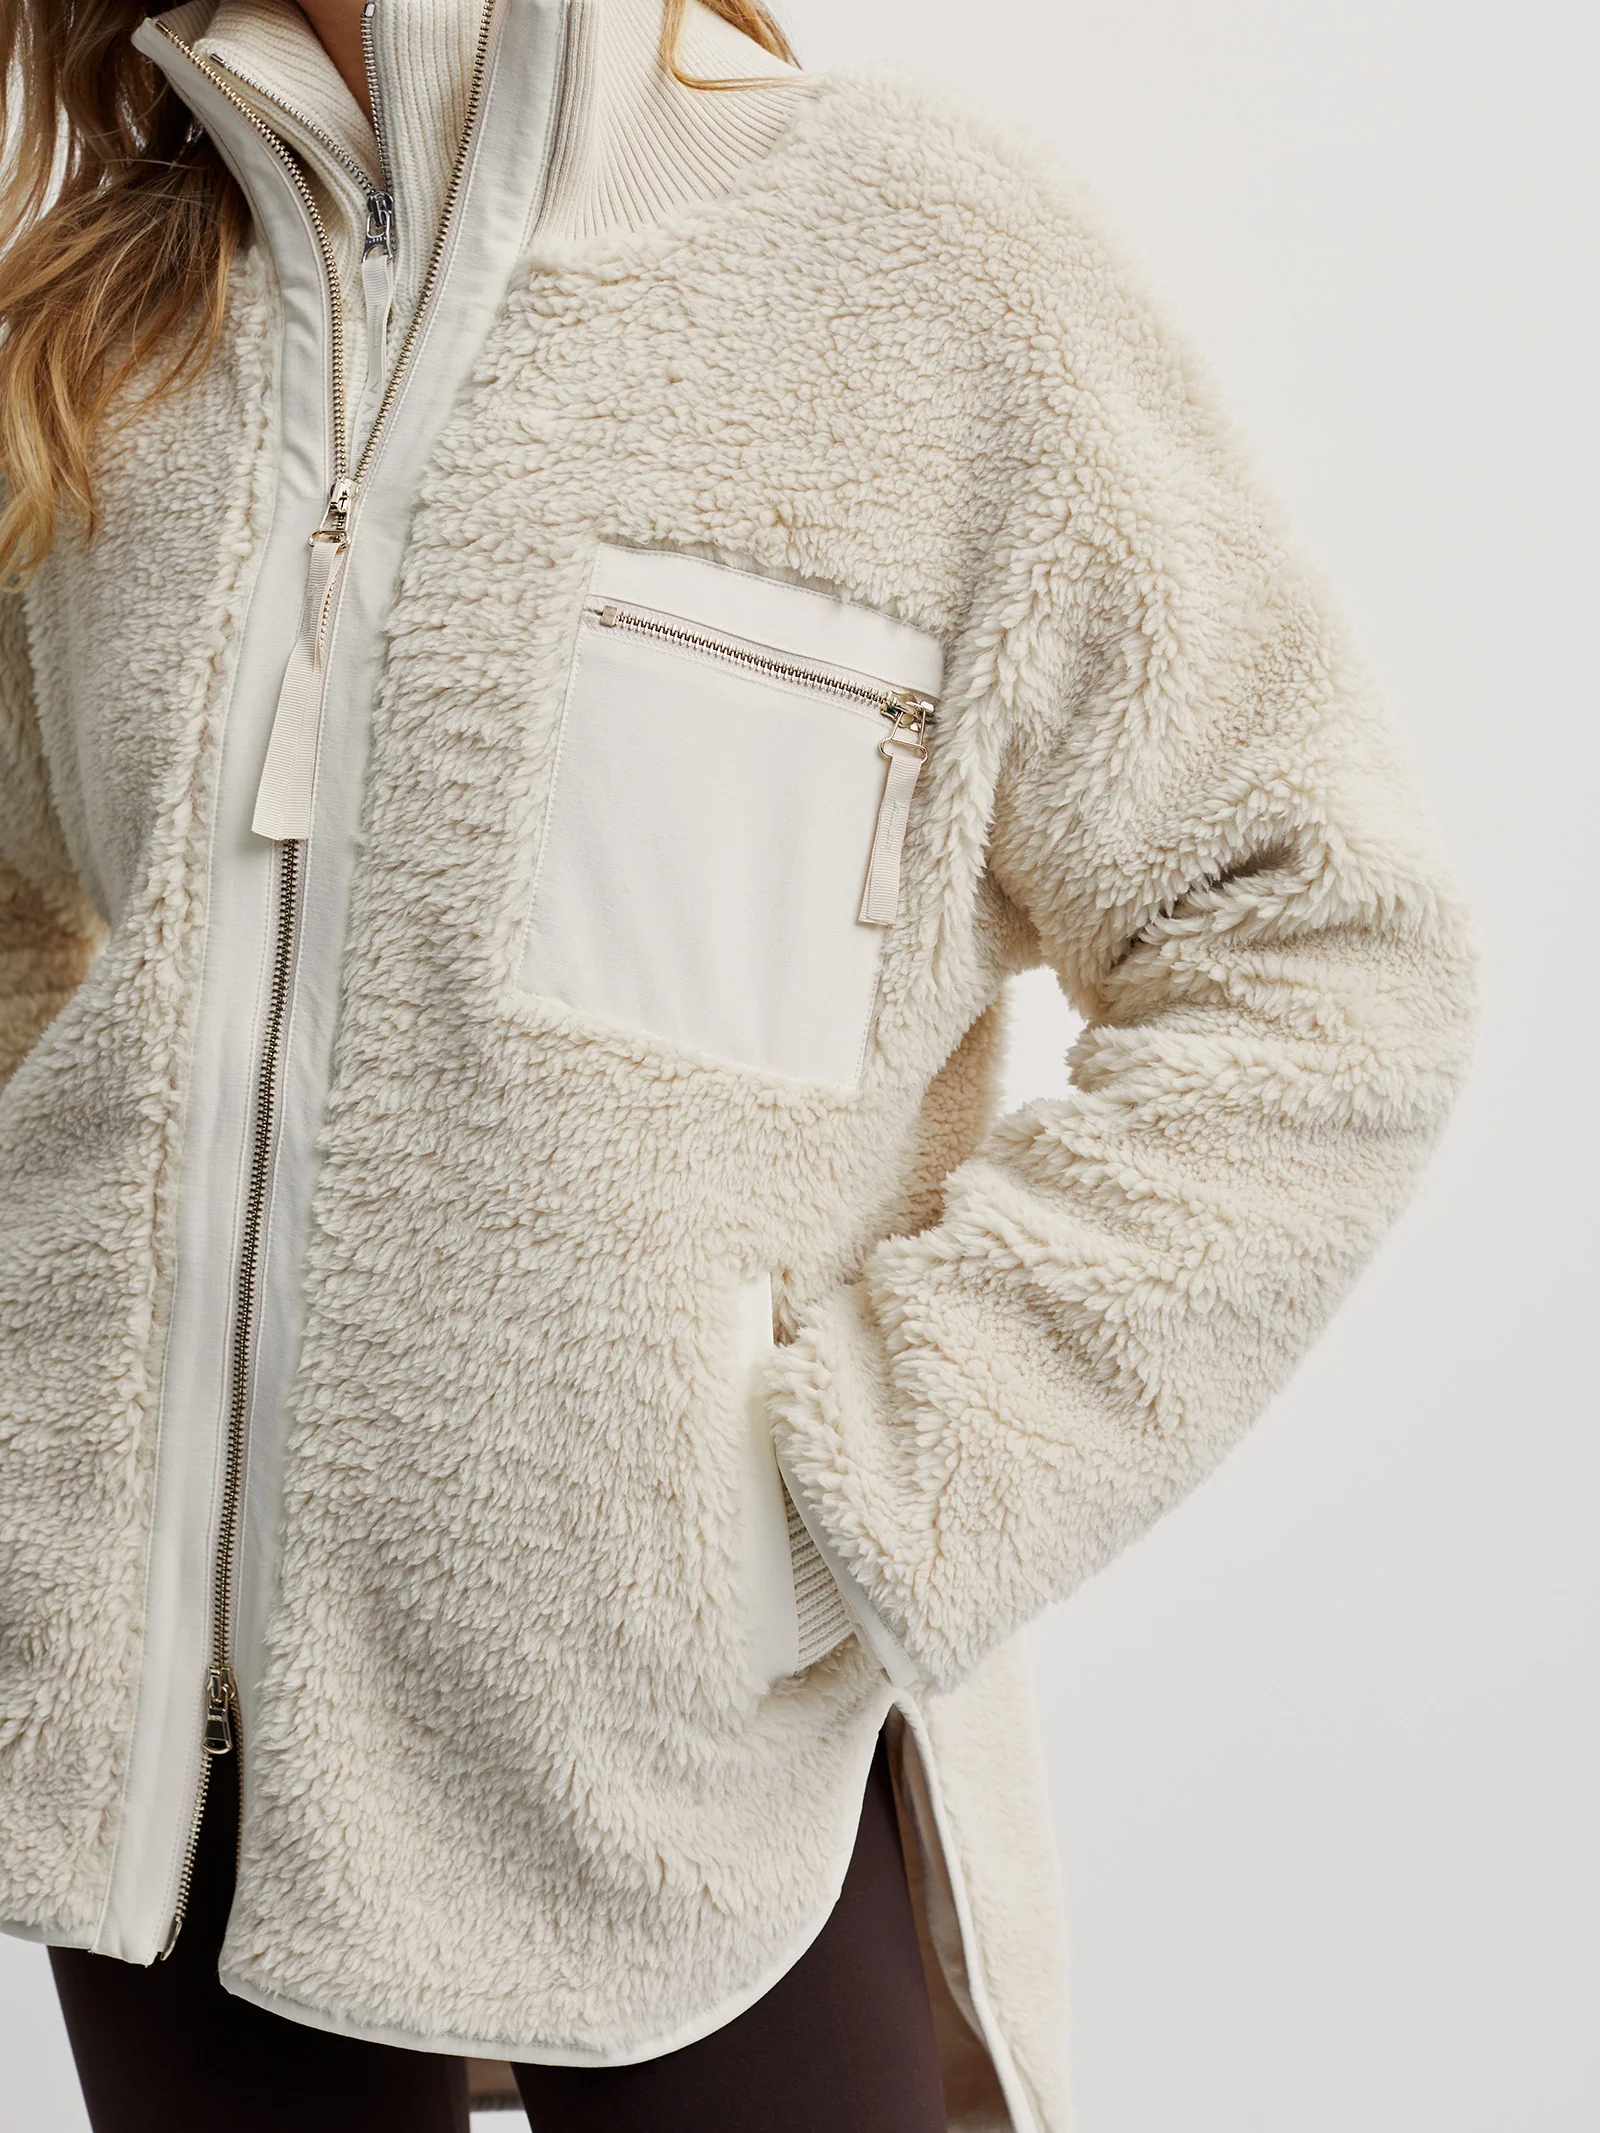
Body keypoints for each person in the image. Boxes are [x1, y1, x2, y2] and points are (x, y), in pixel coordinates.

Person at [0, 2, 1476, 2129]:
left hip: (697, 1740)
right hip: (158, 1765)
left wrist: (857, 1494)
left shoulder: (918, 261)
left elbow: (1323, 939)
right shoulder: (111, 322)